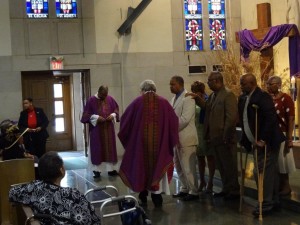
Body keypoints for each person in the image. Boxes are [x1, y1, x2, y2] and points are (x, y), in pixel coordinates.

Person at [118, 80, 179, 207]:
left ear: (142, 90)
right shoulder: (164, 102)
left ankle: (143, 195)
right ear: (154, 89)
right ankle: (157, 197)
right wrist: (169, 140)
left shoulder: (137, 102)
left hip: (140, 145)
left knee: (141, 168)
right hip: (159, 146)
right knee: (157, 166)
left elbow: (125, 121)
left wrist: (131, 142)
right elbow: (174, 122)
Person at [238, 73, 285, 217]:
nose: (241, 86)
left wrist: (263, 139)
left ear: (252, 83)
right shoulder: (244, 97)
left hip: (267, 142)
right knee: (268, 172)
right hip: (255, 141)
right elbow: (244, 119)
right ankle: (274, 200)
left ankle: (265, 203)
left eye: (243, 84)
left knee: (262, 172)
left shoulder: (262, 97)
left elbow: (271, 119)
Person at [9, 151, 101, 225]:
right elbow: (90, 220)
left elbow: (12, 193)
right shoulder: (73, 195)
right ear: (61, 170)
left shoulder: (33, 188)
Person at [198, 72, 240, 200]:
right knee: (221, 165)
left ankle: (234, 190)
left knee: (229, 165)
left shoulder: (228, 95)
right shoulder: (212, 96)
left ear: (217, 81)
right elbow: (208, 108)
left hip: (225, 137)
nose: (208, 83)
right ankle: (226, 188)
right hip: (215, 137)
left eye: (209, 81)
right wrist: (198, 100)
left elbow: (231, 118)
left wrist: (226, 135)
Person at [170, 76, 199, 201]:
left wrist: (171, 129)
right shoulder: (173, 98)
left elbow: (185, 119)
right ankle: (184, 188)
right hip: (177, 138)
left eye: (173, 84)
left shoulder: (188, 98)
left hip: (186, 137)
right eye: (170, 84)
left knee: (188, 166)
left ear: (180, 84)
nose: (171, 87)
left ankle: (194, 191)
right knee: (179, 165)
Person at [81, 86, 119, 178]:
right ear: (98, 92)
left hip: (108, 128)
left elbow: (116, 109)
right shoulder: (91, 100)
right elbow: (86, 115)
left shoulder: (110, 98)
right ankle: (96, 170)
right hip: (96, 130)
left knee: (110, 148)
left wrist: (113, 115)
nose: (104, 97)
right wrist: (97, 117)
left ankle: (111, 169)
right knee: (97, 149)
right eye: (102, 95)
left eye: (105, 95)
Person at [266, 75, 296, 196]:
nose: (268, 86)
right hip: (270, 134)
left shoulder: (286, 98)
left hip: (282, 134)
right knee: (275, 162)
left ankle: (286, 185)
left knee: (282, 160)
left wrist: (289, 138)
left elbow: (291, 118)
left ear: (278, 85)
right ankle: (277, 184)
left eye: (270, 84)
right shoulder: (268, 99)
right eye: (267, 84)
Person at [186, 81, 215, 193]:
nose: (195, 93)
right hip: (197, 131)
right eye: (194, 91)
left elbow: (208, 111)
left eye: (197, 91)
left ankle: (211, 181)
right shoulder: (192, 101)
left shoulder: (207, 100)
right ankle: (202, 180)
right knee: (200, 158)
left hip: (206, 130)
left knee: (210, 157)